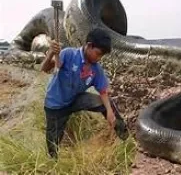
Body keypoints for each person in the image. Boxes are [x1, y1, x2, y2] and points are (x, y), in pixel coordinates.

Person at [40, 28, 126, 159]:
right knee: (53, 144)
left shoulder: (95, 68)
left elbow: (103, 91)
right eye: (98, 54)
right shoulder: (68, 54)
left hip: (75, 100)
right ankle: (53, 163)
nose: (99, 58)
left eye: (101, 56)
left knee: (106, 104)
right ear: (89, 45)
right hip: (55, 106)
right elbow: (45, 68)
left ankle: (125, 137)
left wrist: (109, 111)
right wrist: (51, 53)